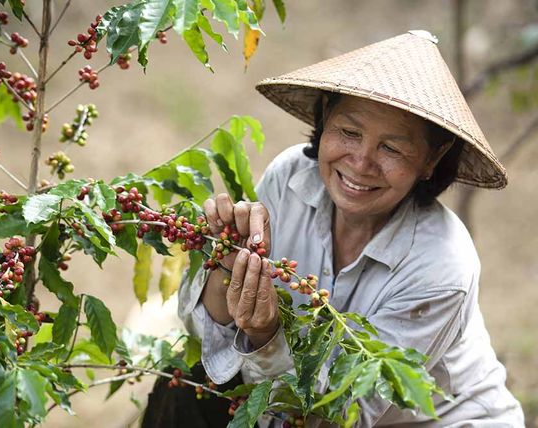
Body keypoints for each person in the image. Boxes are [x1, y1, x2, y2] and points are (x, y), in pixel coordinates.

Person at [177, 31, 526, 427]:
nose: (361, 163)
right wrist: (224, 268)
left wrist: (266, 335)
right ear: (325, 117)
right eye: (349, 132)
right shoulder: (290, 179)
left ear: (432, 158)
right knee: (184, 391)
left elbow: (344, 414)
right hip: (299, 405)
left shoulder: (442, 266)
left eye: (391, 148)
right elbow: (206, 338)